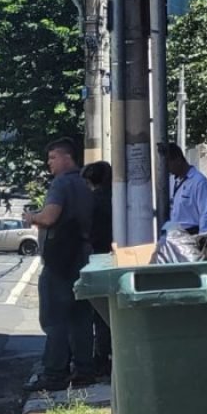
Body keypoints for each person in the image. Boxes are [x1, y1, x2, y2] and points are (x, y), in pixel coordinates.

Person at [22, 137, 96, 392]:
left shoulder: (61, 183)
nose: (49, 163)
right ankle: (84, 370)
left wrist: (32, 217)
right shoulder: (86, 183)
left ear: (67, 157)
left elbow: (50, 216)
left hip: (61, 258)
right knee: (81, 316)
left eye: (53, 157)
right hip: (85, 255)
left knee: (54, 318)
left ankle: (54, 373)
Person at [82, 161, 113, 377]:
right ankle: (105, 355)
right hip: (114, 253)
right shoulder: (117, 197)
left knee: (99, 313)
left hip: (97, 256)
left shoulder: (93, 201)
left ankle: (101, 357)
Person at [161, 142, 207, 234]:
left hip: (191, 233)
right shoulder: (173, 180)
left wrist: (203, 238)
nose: (167, 169)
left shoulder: (199, 182)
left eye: (167, 165)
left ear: (178, 160)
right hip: (174, 233)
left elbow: (206, 214)